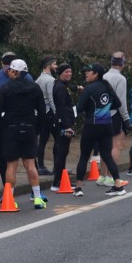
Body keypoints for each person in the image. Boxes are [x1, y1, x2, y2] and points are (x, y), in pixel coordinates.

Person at [0, 59, 49, 208]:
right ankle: (37, 197)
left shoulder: (6, 88)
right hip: (29, 128)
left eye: (10, 70)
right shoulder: (35, 88)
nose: (8, 72)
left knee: (11, 165)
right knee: (31, 164)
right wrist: (37, 129)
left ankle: (10, 199)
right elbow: (42, 112)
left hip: (11, 129)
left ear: (14, 71)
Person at [72, 63, 128, 197]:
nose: (86, 74)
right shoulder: (107, 86)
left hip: (91, 125)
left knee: (84, 155)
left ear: (96, 74)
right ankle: (118, 185)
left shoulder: (89, 88)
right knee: (107, 155)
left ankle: (78, 188)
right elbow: (118, 103)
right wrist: (104, 106)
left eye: (88, 71)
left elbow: (79, 108)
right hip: (106, 125)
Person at [0, 51, 35, 186]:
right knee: (4, 157)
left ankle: (35, 190)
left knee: (29, 158)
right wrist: (1, 102)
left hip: (24, 121)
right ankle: (6, 189)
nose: (7, 70)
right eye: (5, 66)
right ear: (2, 64)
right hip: (3, 122)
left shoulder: (28, 78)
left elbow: (35, 98)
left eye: (9, 67)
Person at [101, 52, 131, 188]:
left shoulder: (103, 76)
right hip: (114, 114)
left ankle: (102, 176)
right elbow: (121, 102)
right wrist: (126, 118)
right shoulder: (121, 79)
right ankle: (111, 177)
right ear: (122, 64)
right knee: (116, 145)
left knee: (104, 146)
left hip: (101, 113)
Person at [50, 63, 77, 191]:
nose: (69, 74)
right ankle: (57, 181)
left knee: (63, 151)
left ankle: (61, 179)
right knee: (61, 150)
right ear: (60, 73)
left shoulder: (63, 86)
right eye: (66, 72)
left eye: (70, 71)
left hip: (64, 122)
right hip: (62, 124)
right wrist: (66, 126)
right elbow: (61, 107)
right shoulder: (60, 88)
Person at [35, 56, 57, 174]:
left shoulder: (38, 79)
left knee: (42, 140)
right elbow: (51, 97)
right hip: (49, 113)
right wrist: (56, 112)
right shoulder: (50, 80)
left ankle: (41, 165)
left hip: (40, 113)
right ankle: (57, 166)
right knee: (58, 139)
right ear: (48, 65)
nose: (56, 66)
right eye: (54, 64)